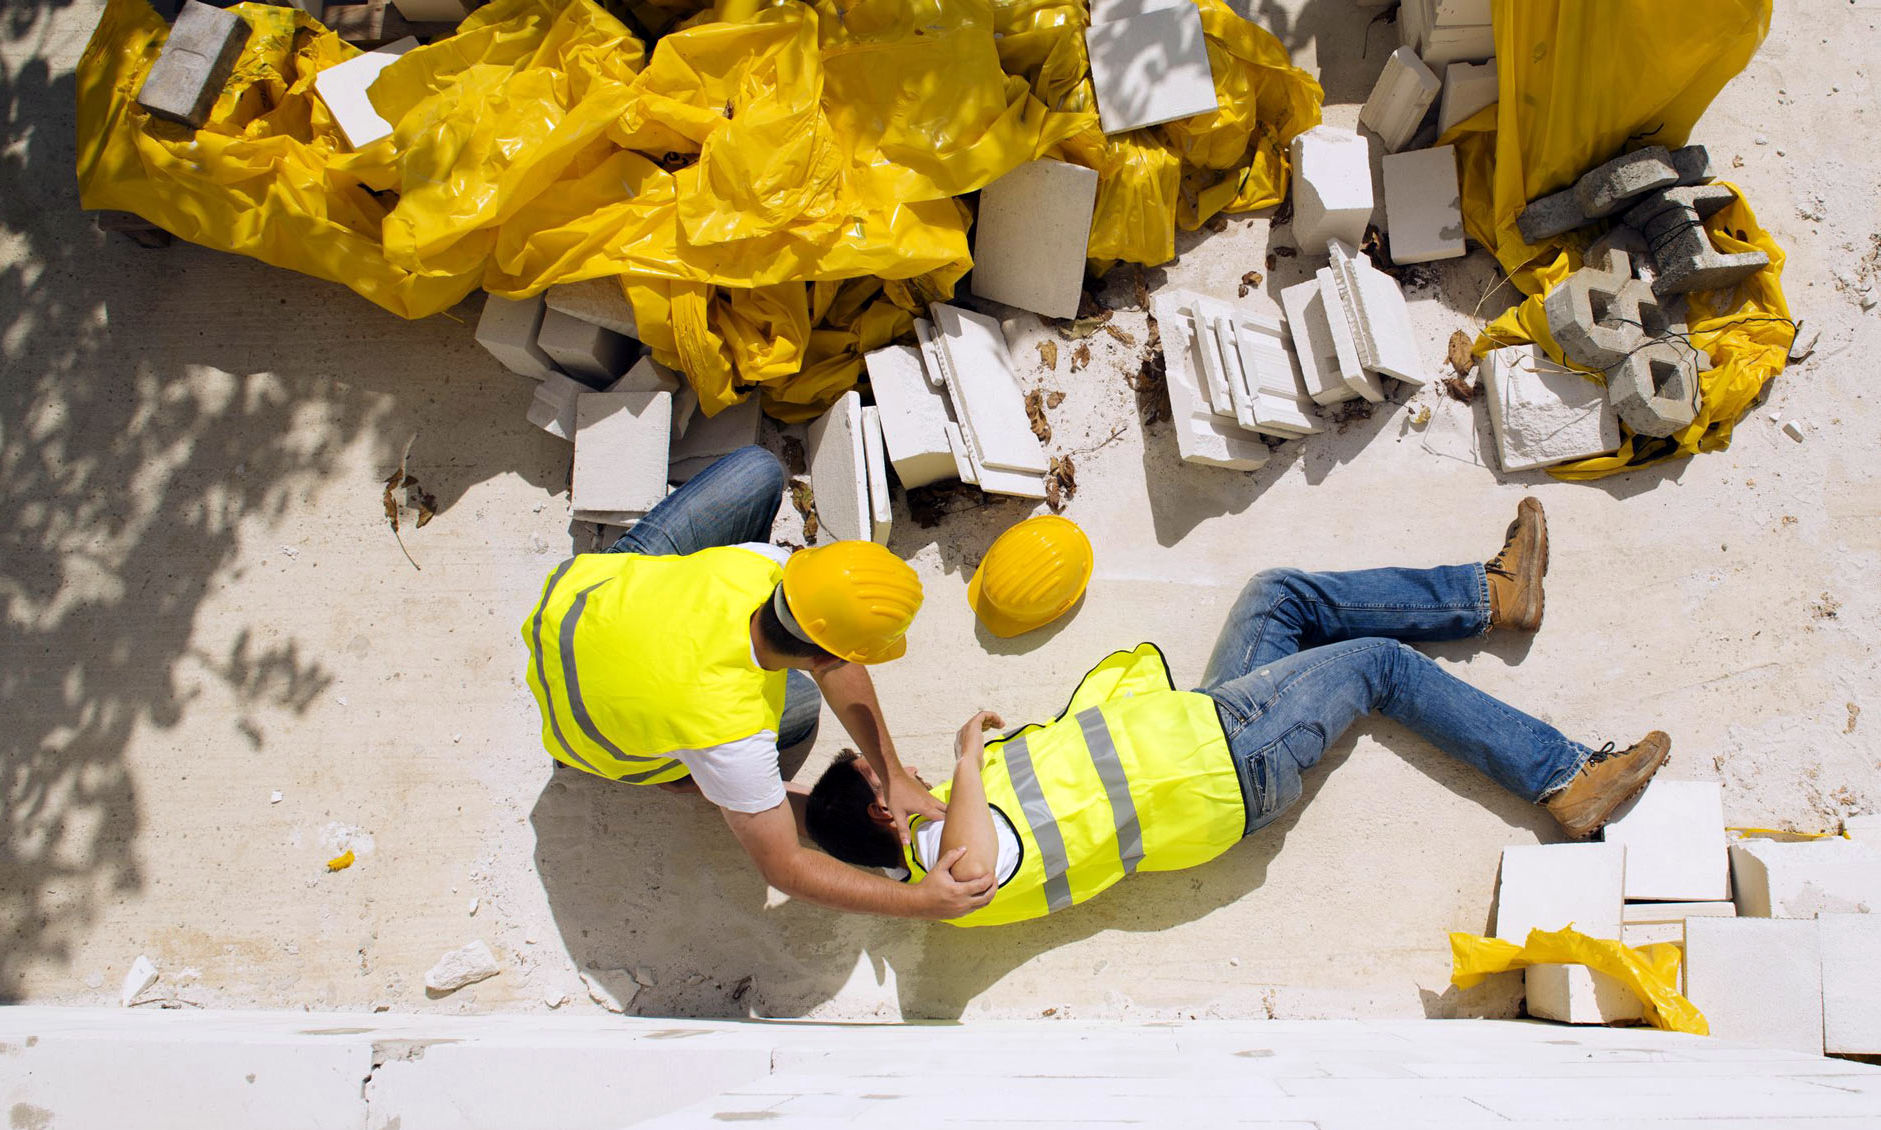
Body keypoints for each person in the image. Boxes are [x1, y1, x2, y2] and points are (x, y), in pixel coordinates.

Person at [805, 499, 1670, 925]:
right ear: (885, 809)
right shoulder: (948, 872)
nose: (900, 766)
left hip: (1201, 730)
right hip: (1232, 762)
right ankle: (1564, 777)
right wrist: (961, 759)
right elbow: (976, 862)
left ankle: (1490, 595)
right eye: (883, 772)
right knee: (1376, 666)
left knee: (1276, 597)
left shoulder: (925, 845)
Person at [522, 444, 995, 920]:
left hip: (579, 603)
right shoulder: (732, 731)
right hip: (585, 733)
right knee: (802, 708)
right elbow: (784, 867)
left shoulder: (756, 566)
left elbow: (834, 656)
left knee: (759, 470)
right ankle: (681, 775)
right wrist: (919, 901)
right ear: (822, 655)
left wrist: (890, 774)